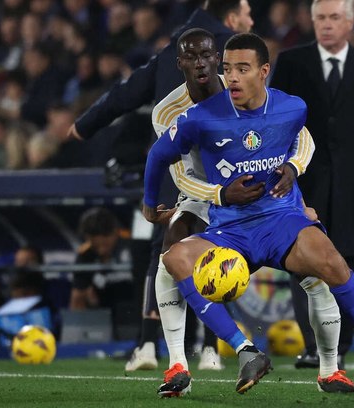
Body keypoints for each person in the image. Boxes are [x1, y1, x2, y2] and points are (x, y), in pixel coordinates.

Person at [143, 32, 354, 397]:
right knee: (173, 255)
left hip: (279, 215)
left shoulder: (290, 107)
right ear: (181, 64)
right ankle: (210, 358)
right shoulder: (185, 116)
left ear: (263, 71)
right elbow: (167, 163)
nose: (230, 75)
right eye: (228, 69)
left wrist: (294, 169)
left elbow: (302, 139)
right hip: (214, 206)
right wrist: (199, 195)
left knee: (328, 265)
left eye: (240, 68)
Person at [66, 0, 254, 373]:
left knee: (163, 256)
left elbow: (126, 92)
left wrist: (85, 124)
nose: (251, 20)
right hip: (227, 173)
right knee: (216, 253)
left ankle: (150, 344)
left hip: (174, 172)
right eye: (247, 13)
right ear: (232, 18)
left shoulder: (174, 51)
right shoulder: (235, 52)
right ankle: (210, 349)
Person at [269, 0, 354, 368]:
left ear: (349, 21)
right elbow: (274, 117)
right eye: (321, 18)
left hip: (352, 186)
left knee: (346, 263)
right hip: (303, 183)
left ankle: (339, 350)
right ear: (312, 22)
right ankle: (313, 347)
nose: (327, 25)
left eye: (334, 18)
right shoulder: (293, 62)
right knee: (301, 264)